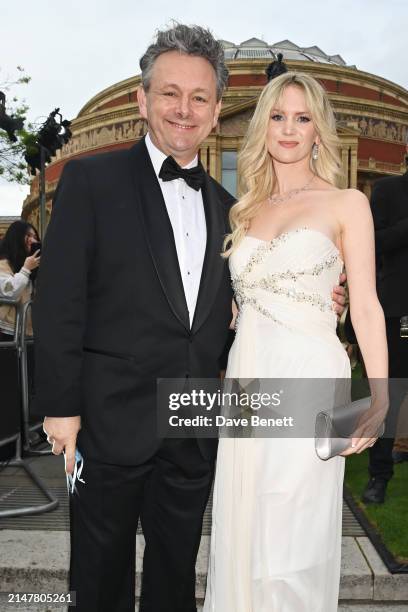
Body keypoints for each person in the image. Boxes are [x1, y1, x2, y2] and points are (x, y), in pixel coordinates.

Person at [32, 25, 346, 612]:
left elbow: (255, 294)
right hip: (106, 420)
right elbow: (59, 300)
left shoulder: (235, 213)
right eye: (170, 93)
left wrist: (325, 294)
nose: (184, 109)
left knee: (175, 578)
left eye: (200, 97)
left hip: (195, 422)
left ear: (217, 109)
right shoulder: (91, 181)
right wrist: (60, 409)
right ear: (142, 100)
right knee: (98, 577)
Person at [204, 72, 388, 612]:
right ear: (262, 126)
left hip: (309, 371)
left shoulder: (348, 202)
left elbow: (369, 304)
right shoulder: (244, 212)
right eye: (279, 116)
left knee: (291, 532)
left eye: (303, 118)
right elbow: (236, 305)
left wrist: (378, 397)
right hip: (247, 376)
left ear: (318, 131)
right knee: (246, 526)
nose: (289, 129)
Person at [362, 145, 408, 503]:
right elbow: (373, 245)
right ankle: (379, 476)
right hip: (400, 311)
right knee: (390, 394)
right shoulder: (387, 192)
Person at [0, 220, 40, 339]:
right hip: (6, 331)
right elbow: (9, 291)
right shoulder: (2, 265)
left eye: (35, 237)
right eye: (28, 236)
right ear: (16, 238)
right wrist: (26, 269)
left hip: (27, 333)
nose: (33, 240)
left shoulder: (31, 267)